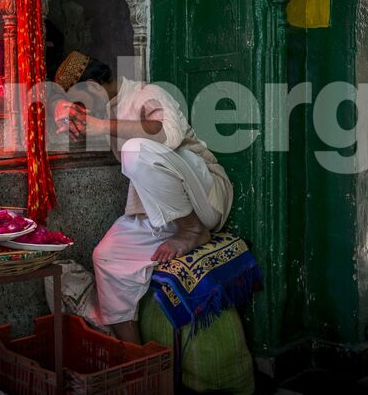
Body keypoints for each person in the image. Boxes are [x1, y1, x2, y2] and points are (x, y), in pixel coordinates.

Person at [53, 51, 233, 344]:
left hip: (204, 197)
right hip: (159, 210)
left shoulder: (147, 93)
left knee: (135, 150)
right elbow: (94, 129)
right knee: (107, 257)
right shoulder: (107, 112)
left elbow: (168, 135)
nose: (84, 109)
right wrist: (74, 121)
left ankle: (192, 230)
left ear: (96, 85)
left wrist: (99, 126)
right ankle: (133, 357)